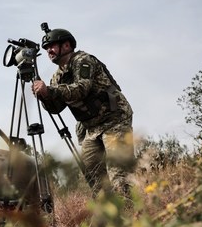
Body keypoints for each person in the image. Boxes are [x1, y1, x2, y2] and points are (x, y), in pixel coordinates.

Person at [31, 24, 135, 199]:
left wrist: (51, 91)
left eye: (52, 46)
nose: (49, 50)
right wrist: (43, 96)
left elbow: (81, 89)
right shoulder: (57, 76)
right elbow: (56, 108)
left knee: (119, 175)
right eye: (47, 48)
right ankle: (108, 215)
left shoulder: (83, 60)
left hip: (115, 119)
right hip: (91, 128)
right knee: (94, 177)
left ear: (66, 46)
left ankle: (132, 214)